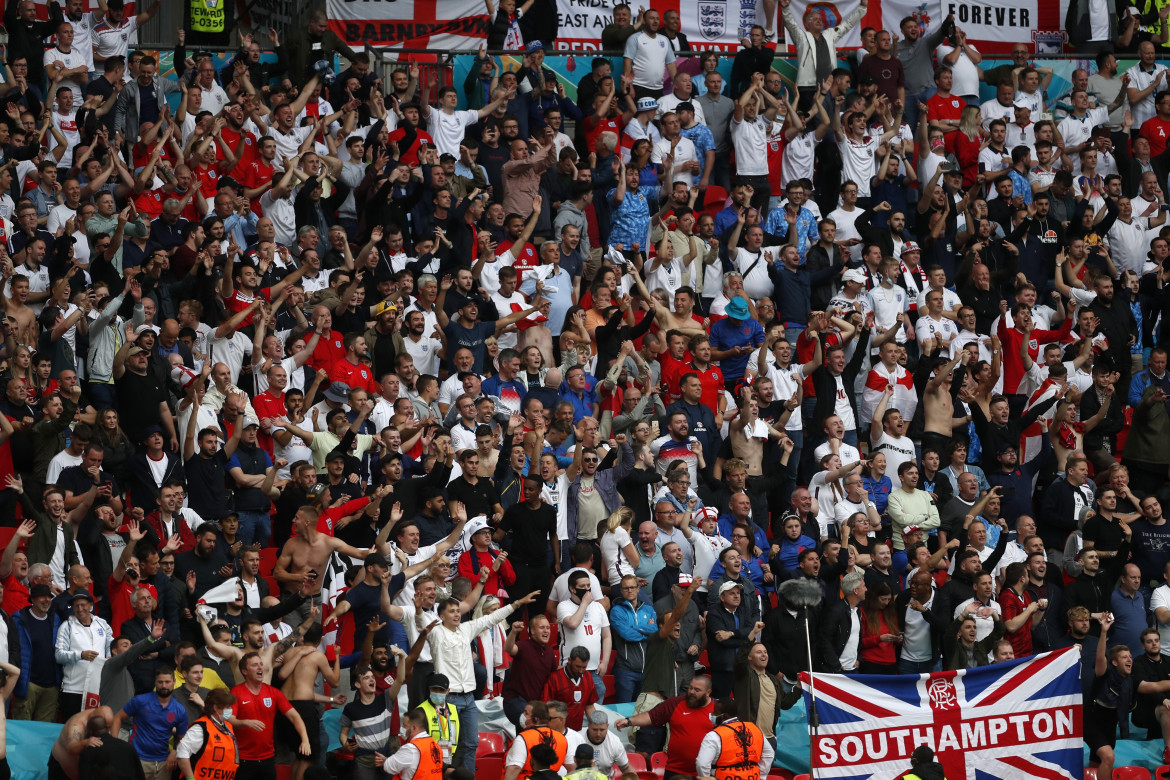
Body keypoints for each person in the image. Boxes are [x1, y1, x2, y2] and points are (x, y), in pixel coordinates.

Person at [111, 667, 189, 779]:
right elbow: (118, 717)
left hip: (164, 763)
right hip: (138, 758)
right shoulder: (141, 701)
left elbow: (183, 737)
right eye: (160, 682)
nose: (164, 686)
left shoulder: (179, 710)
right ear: (155, 682)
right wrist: (114, 742)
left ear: (174, 682)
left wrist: (175, 752)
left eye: (167, 682)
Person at [695, 697, 775, 779]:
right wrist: (761, 776)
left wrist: (706, 778)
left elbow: (702, 764)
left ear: (724, 716)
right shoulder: (755, 729)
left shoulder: (714, 736)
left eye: (715, 713)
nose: (711, 715)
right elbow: (769, 754)